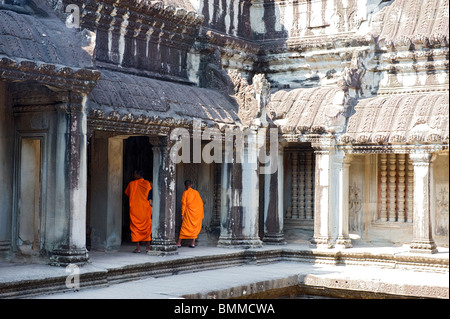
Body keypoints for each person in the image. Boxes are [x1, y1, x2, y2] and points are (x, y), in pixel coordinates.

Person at [124, 170, 152, 253]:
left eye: (134, 174)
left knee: (135, 228)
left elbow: (128, 193)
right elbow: (150, 194)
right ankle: (147, 247)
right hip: (145, 209)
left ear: (137, 175)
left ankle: (138, 248)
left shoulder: (132, 184)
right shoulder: (147, 184)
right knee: (147, 227)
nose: (134, 175)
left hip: (135, 209)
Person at [176, 180, 204, 248]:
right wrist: (199, 213)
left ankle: (179, 243)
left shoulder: (185, 193)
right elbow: (200, 203)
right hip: (196, 213)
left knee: (184, 227)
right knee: (194, 228)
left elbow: (184, 204)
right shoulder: (196, 193)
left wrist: (182, 214)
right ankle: (193, 243)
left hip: (188, 213)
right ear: (191, 185)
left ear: (185, 186)